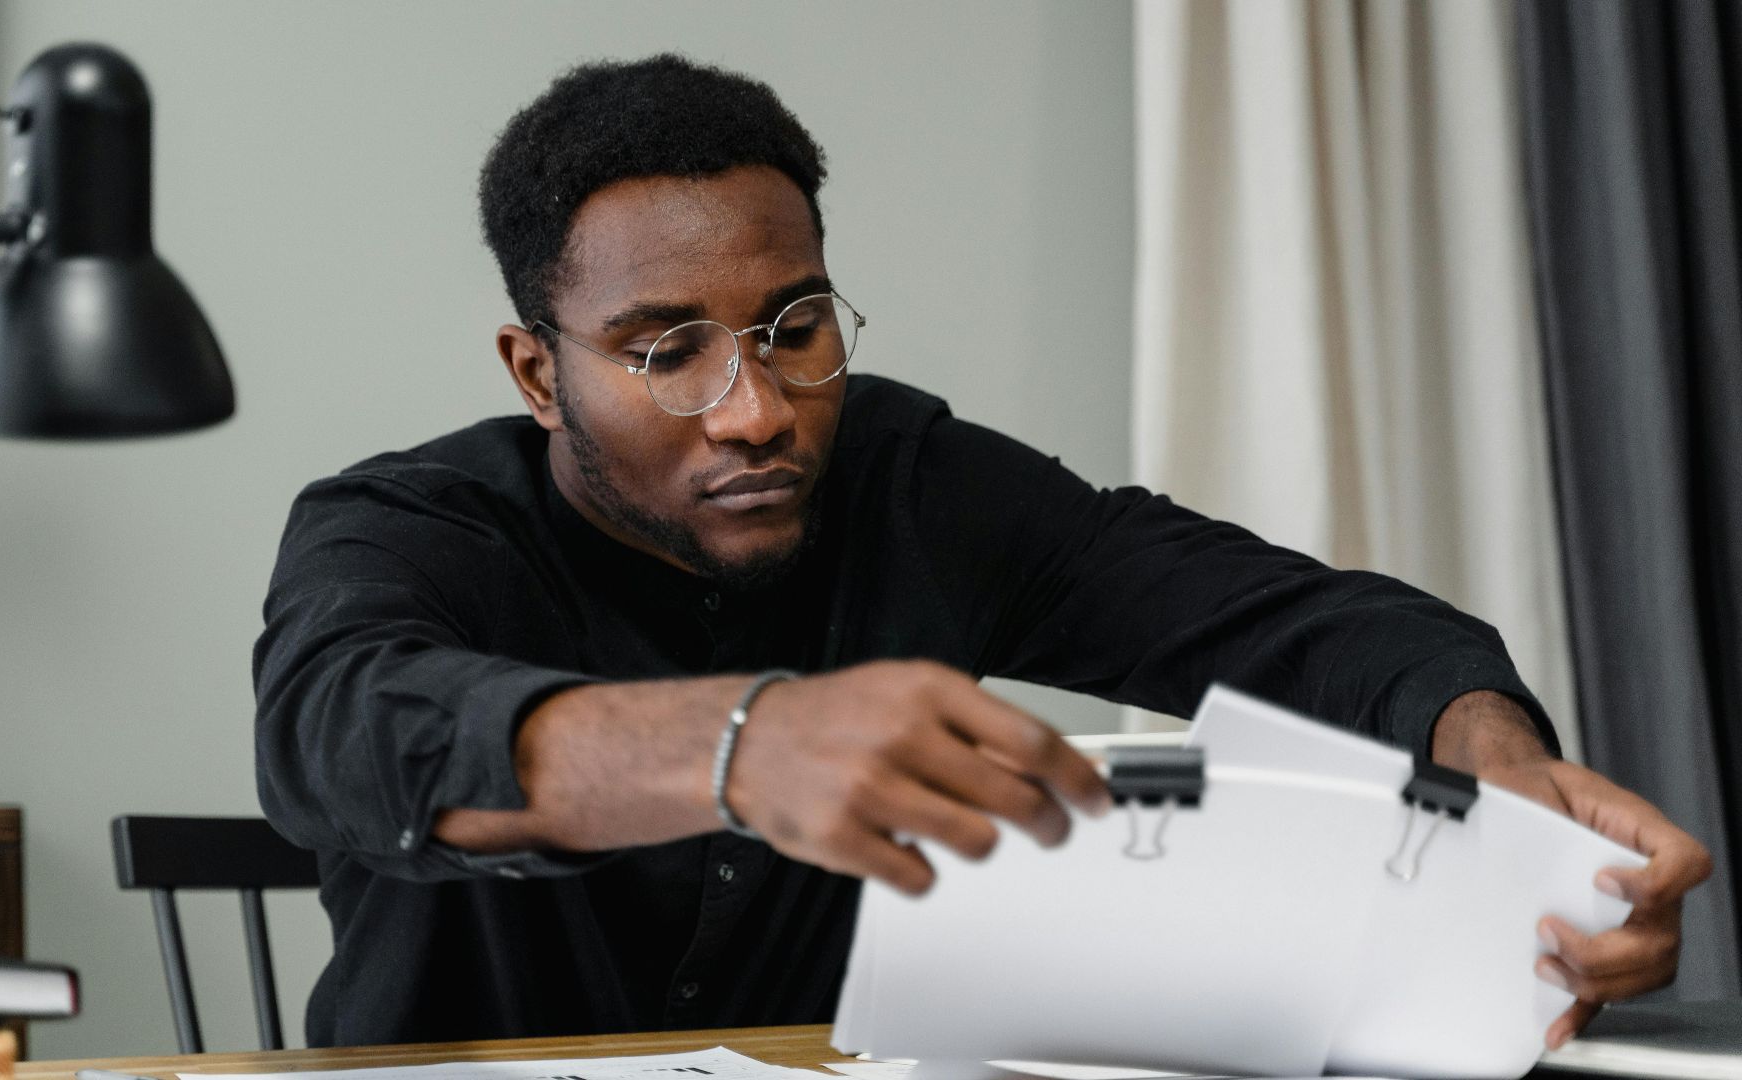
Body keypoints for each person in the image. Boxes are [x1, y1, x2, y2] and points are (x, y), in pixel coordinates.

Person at [253, 54, 1709, 1053]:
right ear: (533, 370)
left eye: (793, 330)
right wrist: (745, 746)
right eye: (664, 351)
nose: (754, 410)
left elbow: (1293, 623)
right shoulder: (399, 530)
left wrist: (1498, 774)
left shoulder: (913, 481)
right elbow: (338, 735)